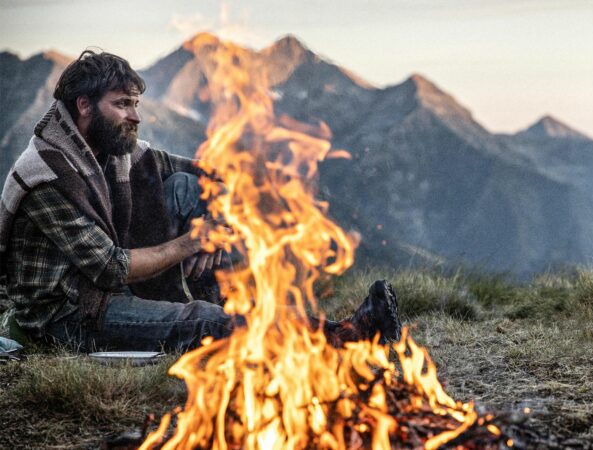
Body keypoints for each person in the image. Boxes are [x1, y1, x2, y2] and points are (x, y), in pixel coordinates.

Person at [0, 50, 400, 352]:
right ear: (84, 106)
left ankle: (222, 298)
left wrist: (240, 197)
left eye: (135, 104)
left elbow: (201, 172)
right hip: (69, 314)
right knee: (200, 322)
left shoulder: (106, 149)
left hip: (105, 287)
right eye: (123, 105)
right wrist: (191, 242)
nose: (135, 116)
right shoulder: (49, 176)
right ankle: (342, 337)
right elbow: (110, 268)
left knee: (185, 188)